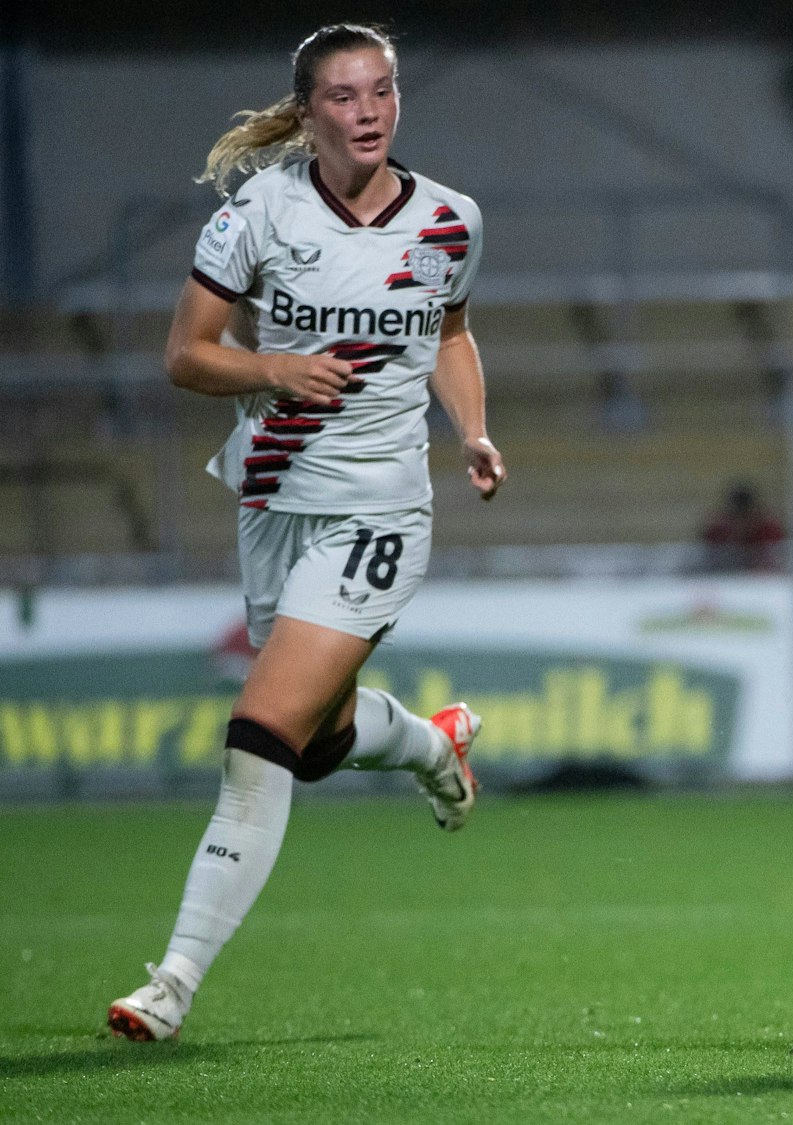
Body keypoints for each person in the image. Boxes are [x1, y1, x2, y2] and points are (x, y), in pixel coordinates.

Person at [106, 24, 503, 1042]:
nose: (367, 111)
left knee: (260, 736)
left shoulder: (452, 221)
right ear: (310, 112)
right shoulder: (258, 215)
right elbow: (186, 357)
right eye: (343, 96)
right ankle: (431, 744)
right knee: (316, 744)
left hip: (378, 511)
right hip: (274, 496)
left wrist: (474, 432)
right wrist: (273, 368)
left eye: (382, 91)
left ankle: (173, 982)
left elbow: (450, 337)